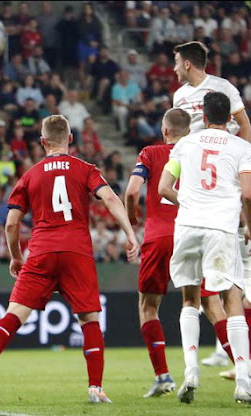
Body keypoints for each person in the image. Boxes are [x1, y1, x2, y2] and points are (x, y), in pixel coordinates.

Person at [0, 115, 139, 405]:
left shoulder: (30, 175)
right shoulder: (85, 169)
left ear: (42, 141)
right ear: (70, 139)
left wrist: (16, 257)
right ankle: (95, 388)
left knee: (14, 314)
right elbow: (109, 198)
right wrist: (130, 233)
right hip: (77, 251)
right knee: (89, 319)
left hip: (42, 250)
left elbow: (11, 224)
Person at [125, 108, 237, 397]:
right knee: (211, 303)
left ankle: (163, 376)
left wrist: (133, 219)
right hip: (194, 231)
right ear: (189, 131)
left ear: (164, 131)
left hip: (159, 236)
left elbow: (131, 190)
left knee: (148, 306)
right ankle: (239, 365)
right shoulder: (196, 151)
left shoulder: (150, 153)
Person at [159, 91, 251, 404]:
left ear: (204, 114)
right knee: (232, 297)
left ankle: (191, 370)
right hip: (222, 229)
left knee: (189, 299)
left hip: (187, 227)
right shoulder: (242, 147)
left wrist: (187, 204)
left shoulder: (185, 144)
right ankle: (243, 379)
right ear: (229, 116)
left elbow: (163, 188)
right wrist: (248, 225)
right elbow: (248, 194)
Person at [172, 40, 251, 371]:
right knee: (210, 287)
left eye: (176, 62)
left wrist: (240, 164)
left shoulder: (222, 88)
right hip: (198, 196)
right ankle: (233, 354)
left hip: (225, 192)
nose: (173, 67)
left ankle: (237, 357)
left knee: (234, 280)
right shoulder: (178, 98)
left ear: (188, 63)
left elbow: (244, 126)